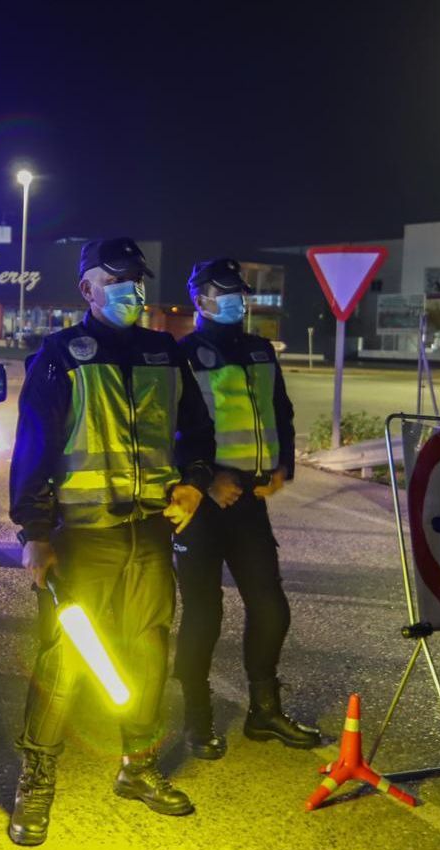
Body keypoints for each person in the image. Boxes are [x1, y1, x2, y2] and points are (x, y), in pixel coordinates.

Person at [6, 237, 216, 846]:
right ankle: (38, 780)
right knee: (65, 659)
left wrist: (195, 485)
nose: (133, 290)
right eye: (117, 279)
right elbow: (33, 454)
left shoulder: (163, 353)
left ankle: (138, 768)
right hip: (84, 537)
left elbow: (197, 435)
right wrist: (36, 534)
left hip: (150, 534)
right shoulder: (57, 357)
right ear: (87, 289)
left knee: (148, 652)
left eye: (138, 280)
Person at [173, 258, 320, 760]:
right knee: (204, 615)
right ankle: (197, 717)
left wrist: (284, 464)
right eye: (224, 291)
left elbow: (281, 408)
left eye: (239, 291)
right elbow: (167, 426)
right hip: (203, 505)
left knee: (271, 607)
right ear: (200, 299)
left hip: (250, 502)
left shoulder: (259, 349)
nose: (237, 299)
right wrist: (206, 479)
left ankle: (264, 712)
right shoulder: (183, 354)